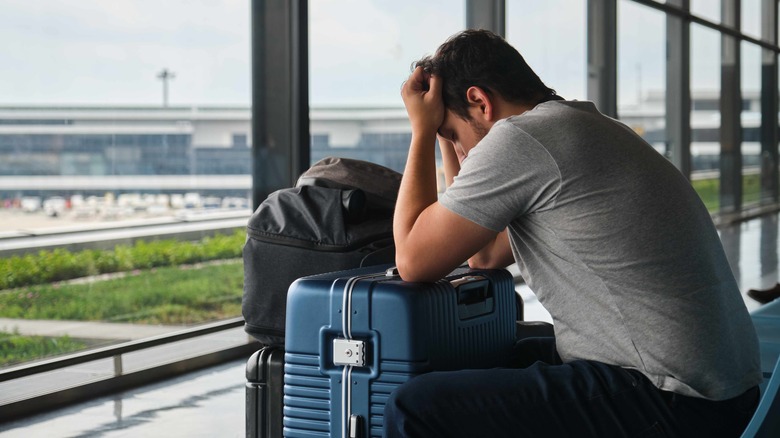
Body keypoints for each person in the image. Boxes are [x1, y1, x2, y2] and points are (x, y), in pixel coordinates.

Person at [386, 29, 762, 437]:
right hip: (725, 395)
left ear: (480, 101)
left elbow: (413, 261)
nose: (461, 154)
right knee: (501, 352)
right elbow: (483, 255)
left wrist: (423, 131)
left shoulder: (521, 139)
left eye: (455, 136)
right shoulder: (585, 128)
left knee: (415, 407)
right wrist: (448, 131)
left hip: (673, 400)